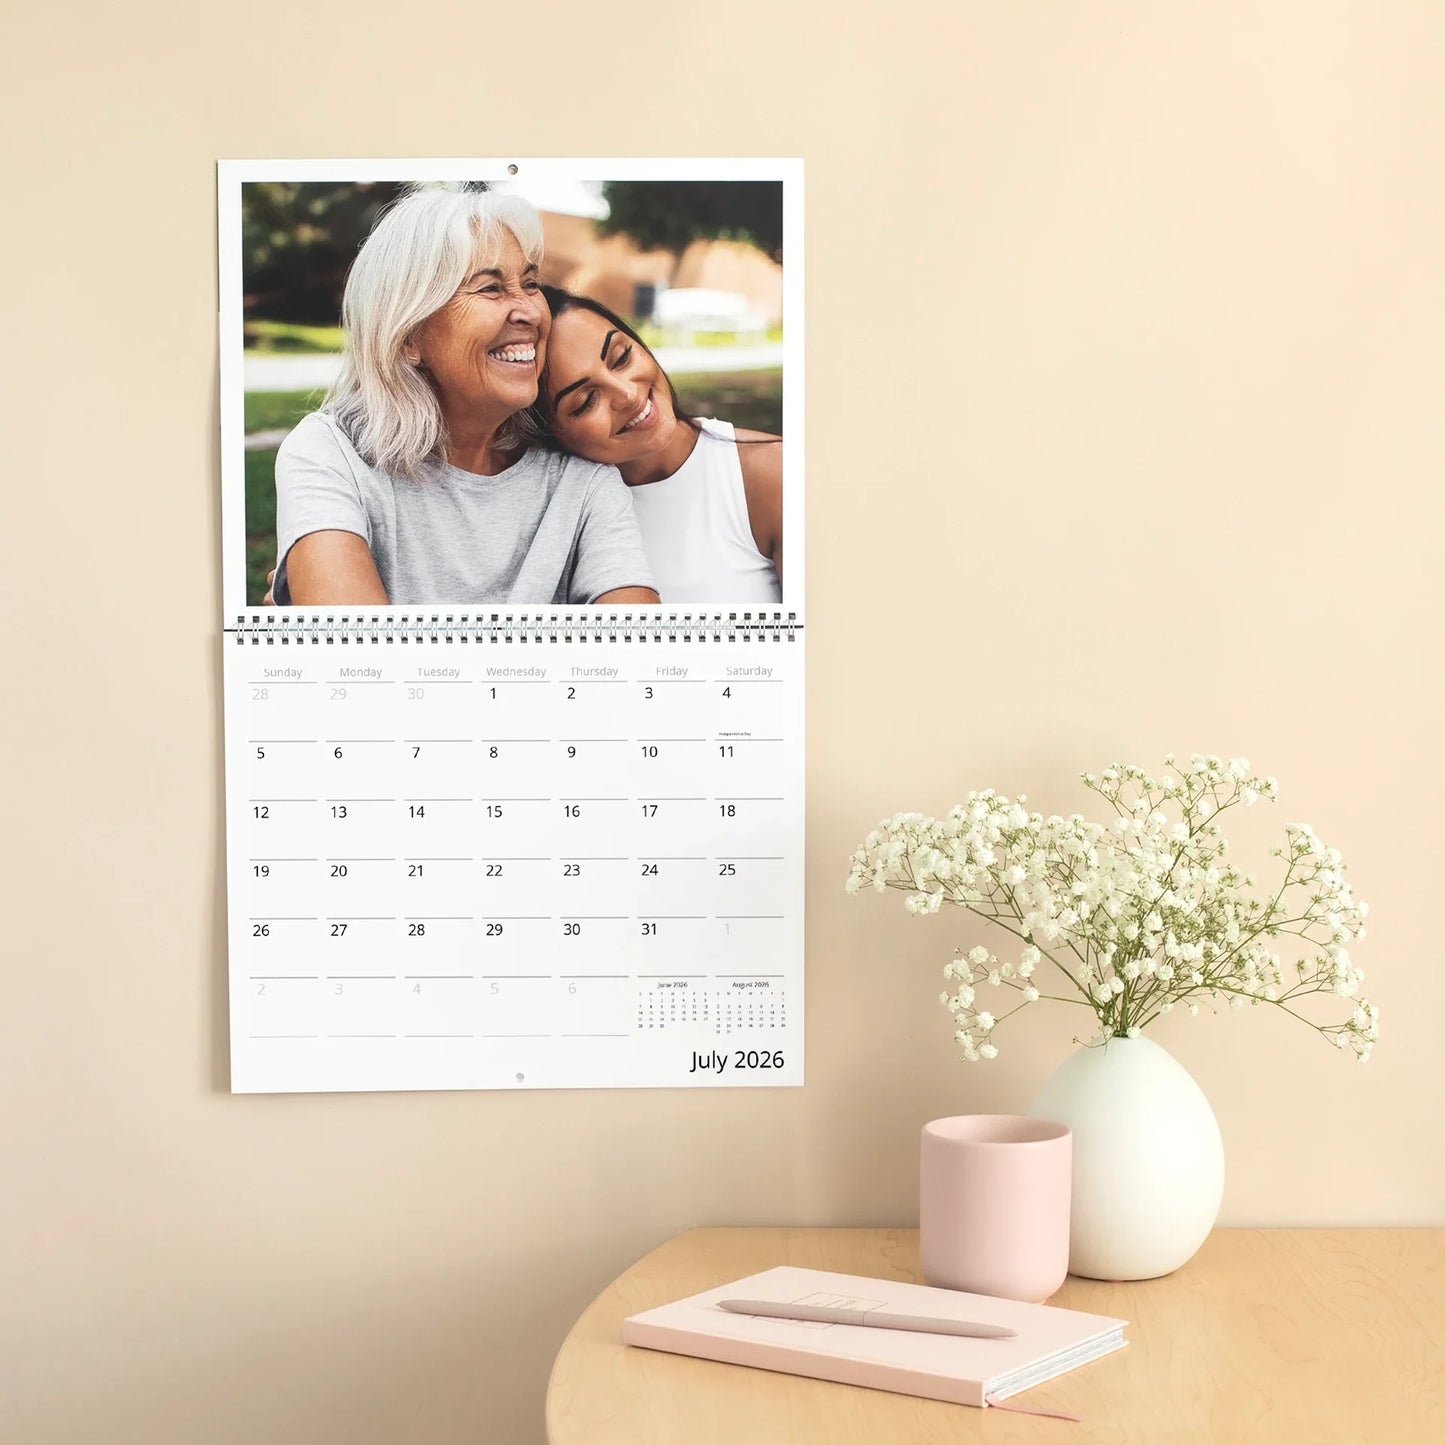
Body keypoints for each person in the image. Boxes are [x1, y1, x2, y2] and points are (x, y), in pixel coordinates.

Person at [270, 186, 658, 607]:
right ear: (408, 337)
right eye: (490, 289)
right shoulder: (331, 454)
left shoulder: (581, 479)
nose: (529, 310)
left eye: (530, 283)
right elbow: (360, 664)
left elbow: (632, 659)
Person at [527, 287, 783, 604]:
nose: (629, 395)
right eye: (586, 401)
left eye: (621, 357)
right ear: (550, 432)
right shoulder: (547, 517)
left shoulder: (772, 472)